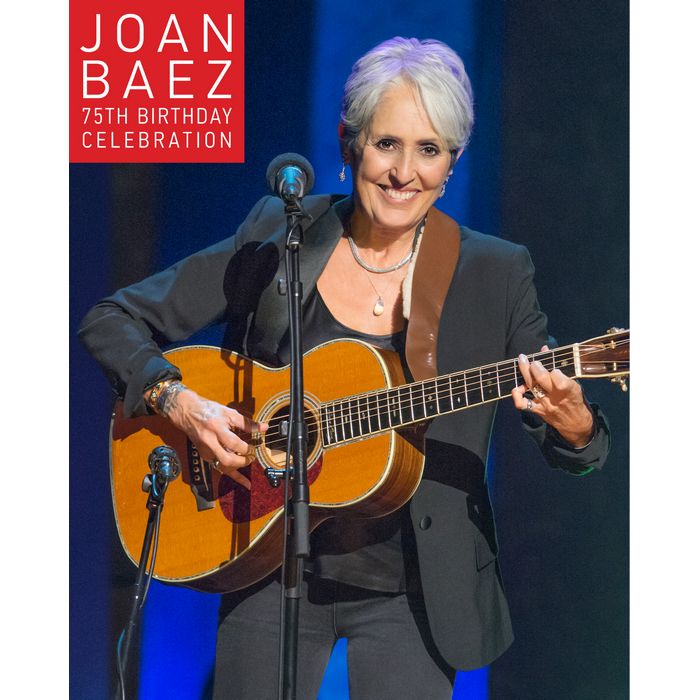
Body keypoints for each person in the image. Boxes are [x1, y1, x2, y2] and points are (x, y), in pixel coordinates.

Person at [79, 37, 610, 700]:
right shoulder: (280, 234)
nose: (404, 173)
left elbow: (578, 447)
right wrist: (181, 403)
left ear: (453, 162)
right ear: (349, 142)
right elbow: (111, 320)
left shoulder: (494, 273)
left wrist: (574, 423)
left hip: (414, 591)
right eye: (387, 144)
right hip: (265, 555)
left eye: (429, 150)